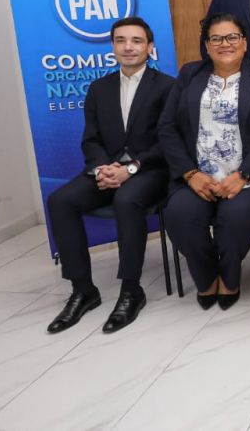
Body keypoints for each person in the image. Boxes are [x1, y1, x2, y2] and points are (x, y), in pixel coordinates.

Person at [45, 17, 174, 334]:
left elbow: (169, 140)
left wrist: (130, 169)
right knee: (60, 200)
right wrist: (103, 168)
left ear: (150, 47)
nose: (128, 47)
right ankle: (83, 290)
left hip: (151, 171)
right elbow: (90, 139)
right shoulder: (98, 88)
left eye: (137, 40)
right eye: (121, 40)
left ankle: (131, 290)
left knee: (127, 200)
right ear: (113, 47)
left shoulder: (168, 86)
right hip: (108, 169)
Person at [160, 13, 250, 310]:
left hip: (248, 179)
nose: (224, 44)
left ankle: (230, 277)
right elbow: (167, 127)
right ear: (206, 45)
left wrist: (244, 175)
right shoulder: (190, 74)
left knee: (234, 217)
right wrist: (190, 174)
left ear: (244, 43)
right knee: (180, 214)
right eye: (216, 38)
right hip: (196, 178)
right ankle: (206, 277)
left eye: (232, 37)